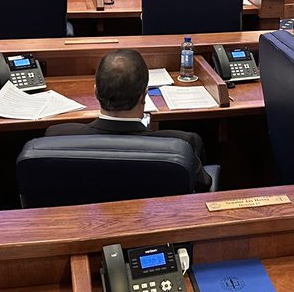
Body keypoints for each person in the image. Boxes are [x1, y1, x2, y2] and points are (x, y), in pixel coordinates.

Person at [44, 49, 211, 191]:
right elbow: (203, 186)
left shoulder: (54, 137)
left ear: (96, 92)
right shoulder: (183, 144)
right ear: (144, 94)